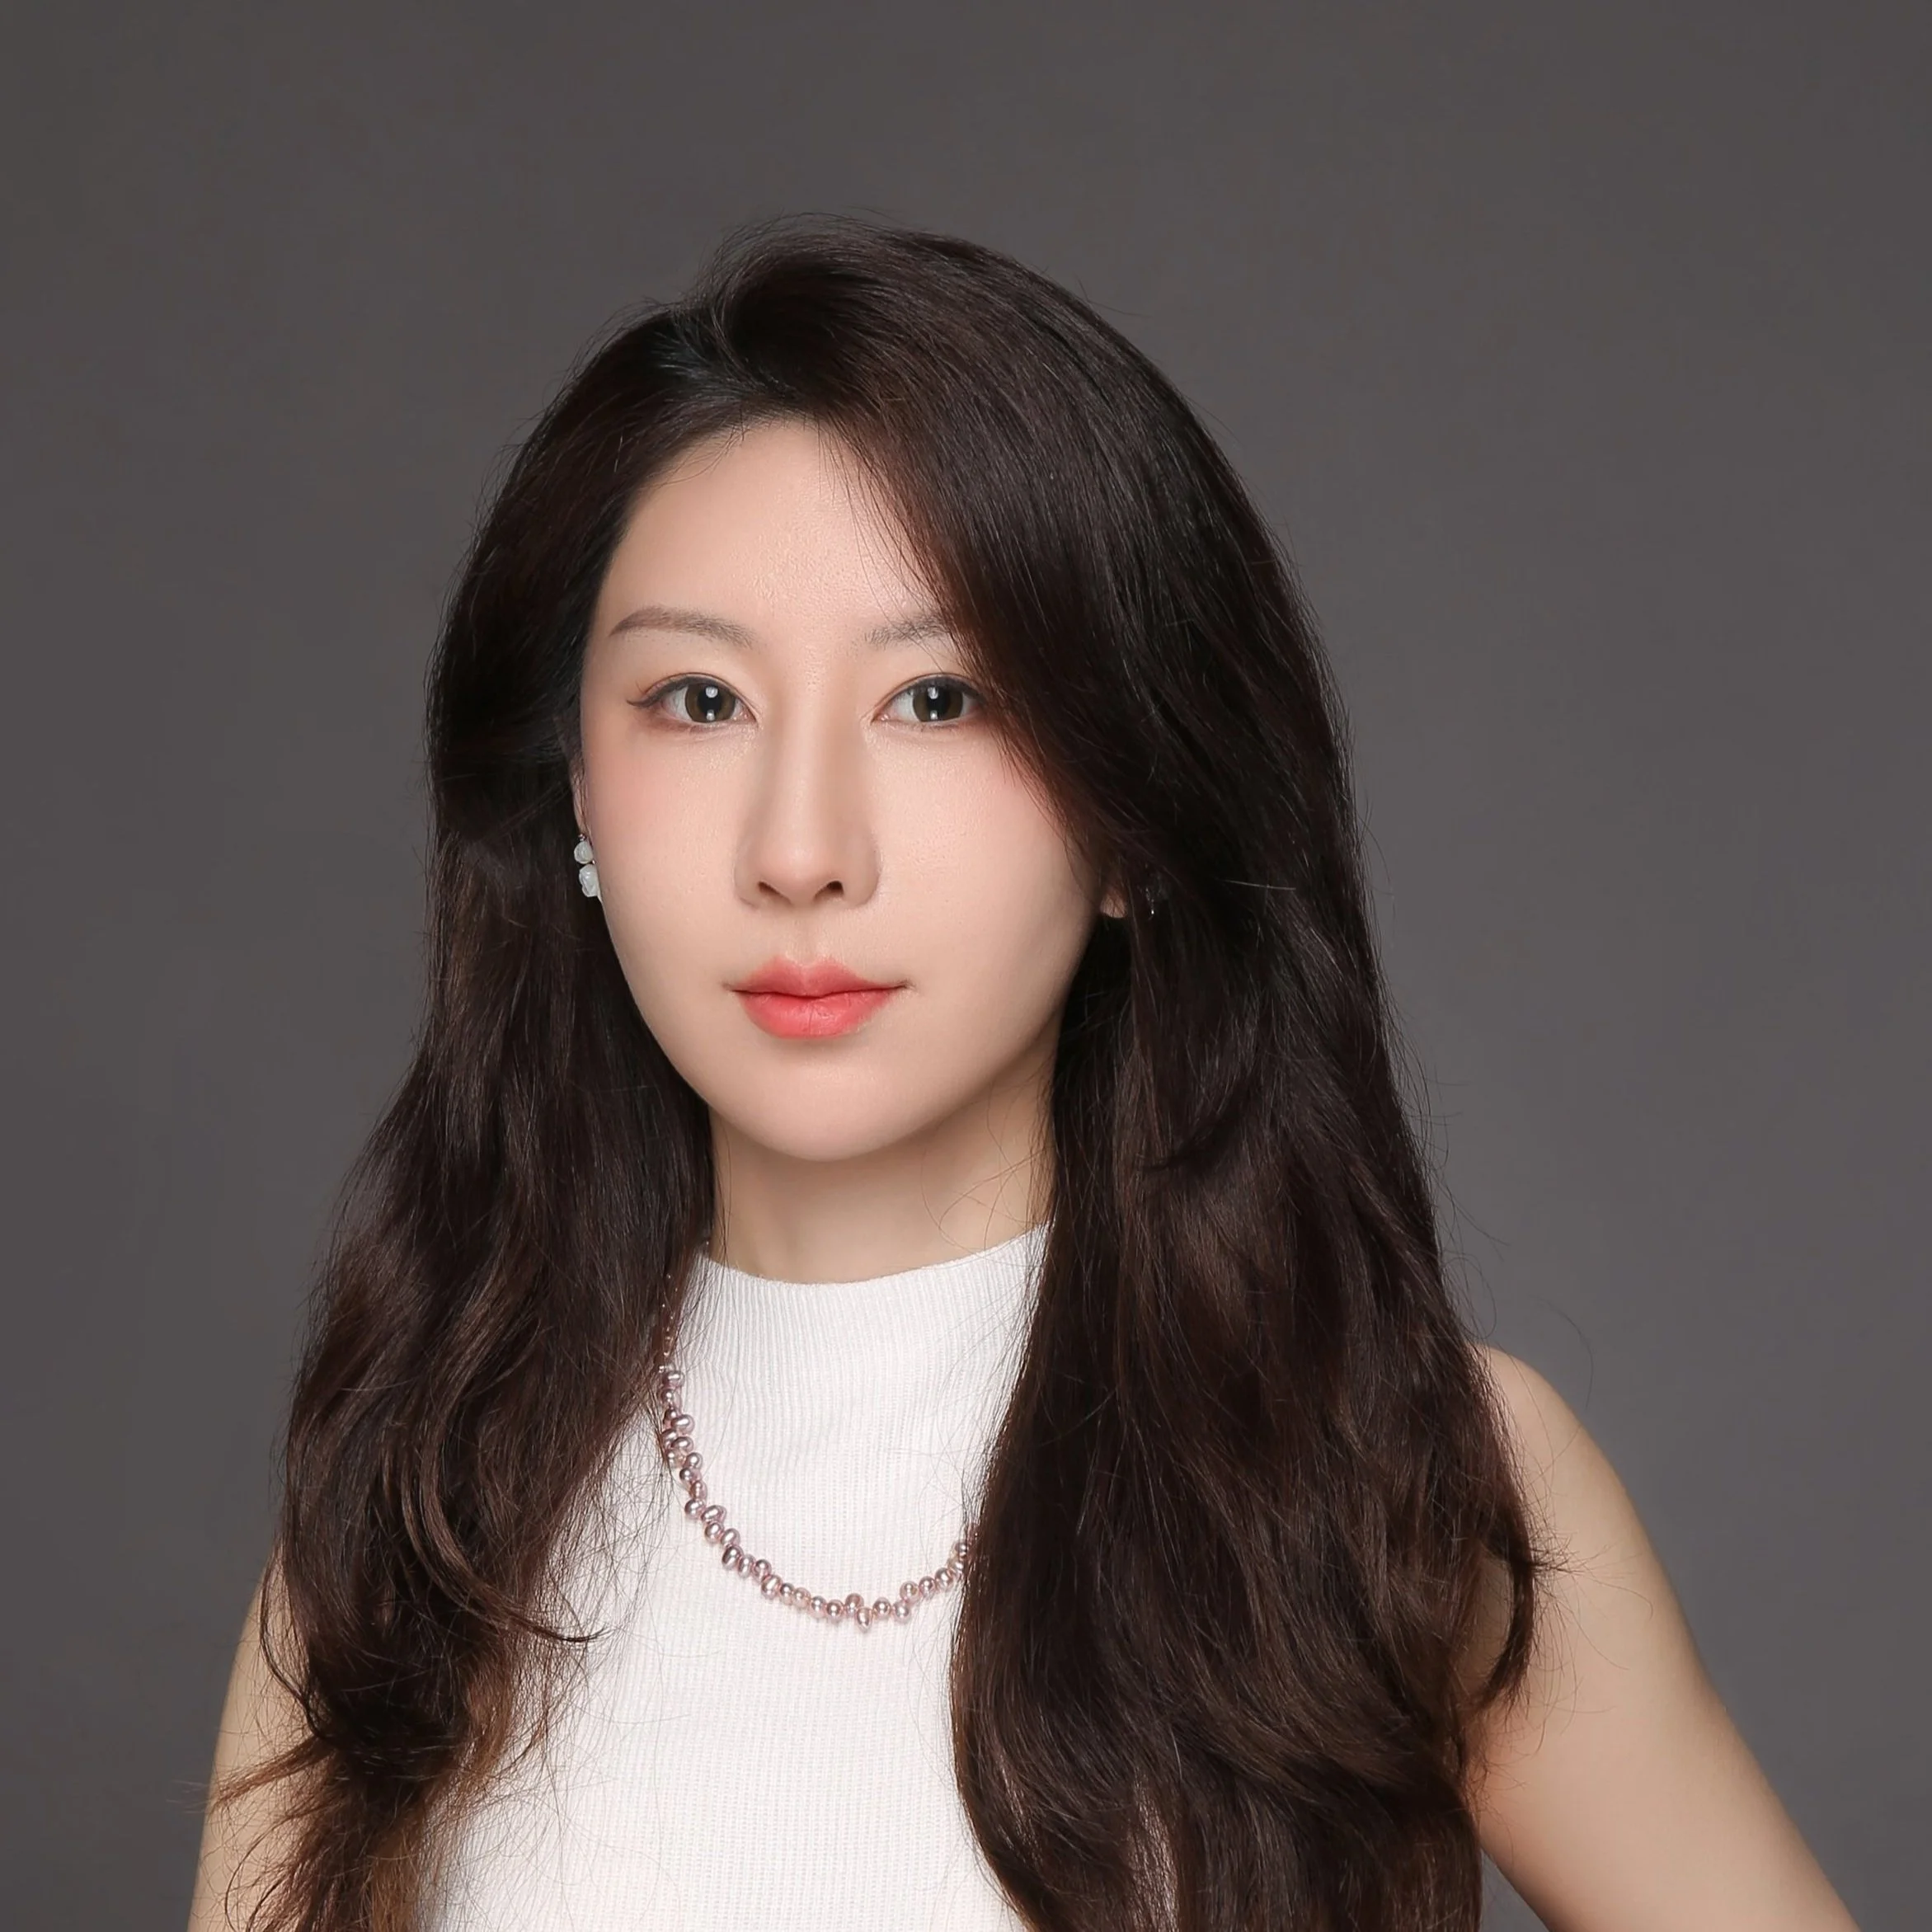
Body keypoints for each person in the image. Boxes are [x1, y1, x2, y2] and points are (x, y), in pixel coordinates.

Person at [187, 219, 1857, 1932]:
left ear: (1132, 814)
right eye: (699, 697)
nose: (801, 850)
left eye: (938, 700)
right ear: (571, 799)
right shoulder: (412, 1523)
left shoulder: (1391, 1473)